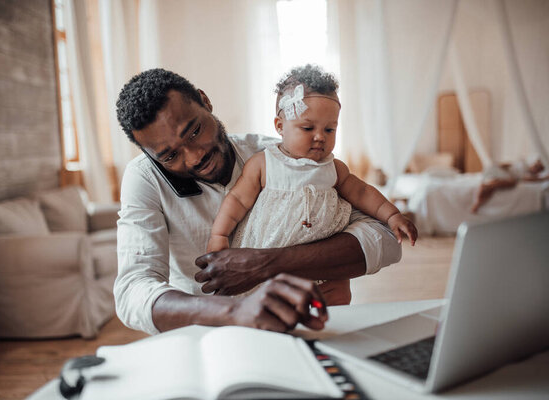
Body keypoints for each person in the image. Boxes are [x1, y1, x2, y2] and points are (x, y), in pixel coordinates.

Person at [114, 68, 402, 335]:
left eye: (194, 131)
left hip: (298, 325)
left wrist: (267, 264)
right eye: (169, 156)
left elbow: (386, 239)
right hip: (206, 334)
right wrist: (235, 311)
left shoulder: (283, 158)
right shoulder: (144, 179)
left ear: (205, 101)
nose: (194, 156)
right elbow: (132, 291)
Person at [207, 65, 417, 305]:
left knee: (337, 295)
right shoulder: (265, 164)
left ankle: (328, 327)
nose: (320, 136)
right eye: (308, 128)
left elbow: (361, 192)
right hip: (272, 250)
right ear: (279, 126)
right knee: (271, 304)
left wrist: (392, 216)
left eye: (330, 129)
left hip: (322, 258)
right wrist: (219, 234)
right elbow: (237, 200)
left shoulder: (333, 168)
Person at [471, 158, 549, 213]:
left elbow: (528, 179)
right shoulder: (523, 163)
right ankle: (478, 202)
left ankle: (478, 203)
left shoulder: (528, 175)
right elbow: (506, 165)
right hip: (500, 172)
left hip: (506, 177)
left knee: (498, 184)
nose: (535, 168)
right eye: (536, 165)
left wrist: (544, 178)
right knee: (493, 182)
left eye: (538, 168)